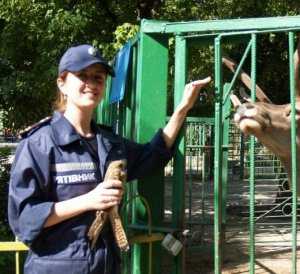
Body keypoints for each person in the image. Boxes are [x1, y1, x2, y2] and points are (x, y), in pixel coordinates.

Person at [8, 44, 211, 274]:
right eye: (82, 76)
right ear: (62, 83)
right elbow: (24, 218)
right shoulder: (39, 143)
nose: (92, 84)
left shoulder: (111, 143)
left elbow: (152, 156)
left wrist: (182, 109)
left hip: (106, 266)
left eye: (98, 78)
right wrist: (89, 200)